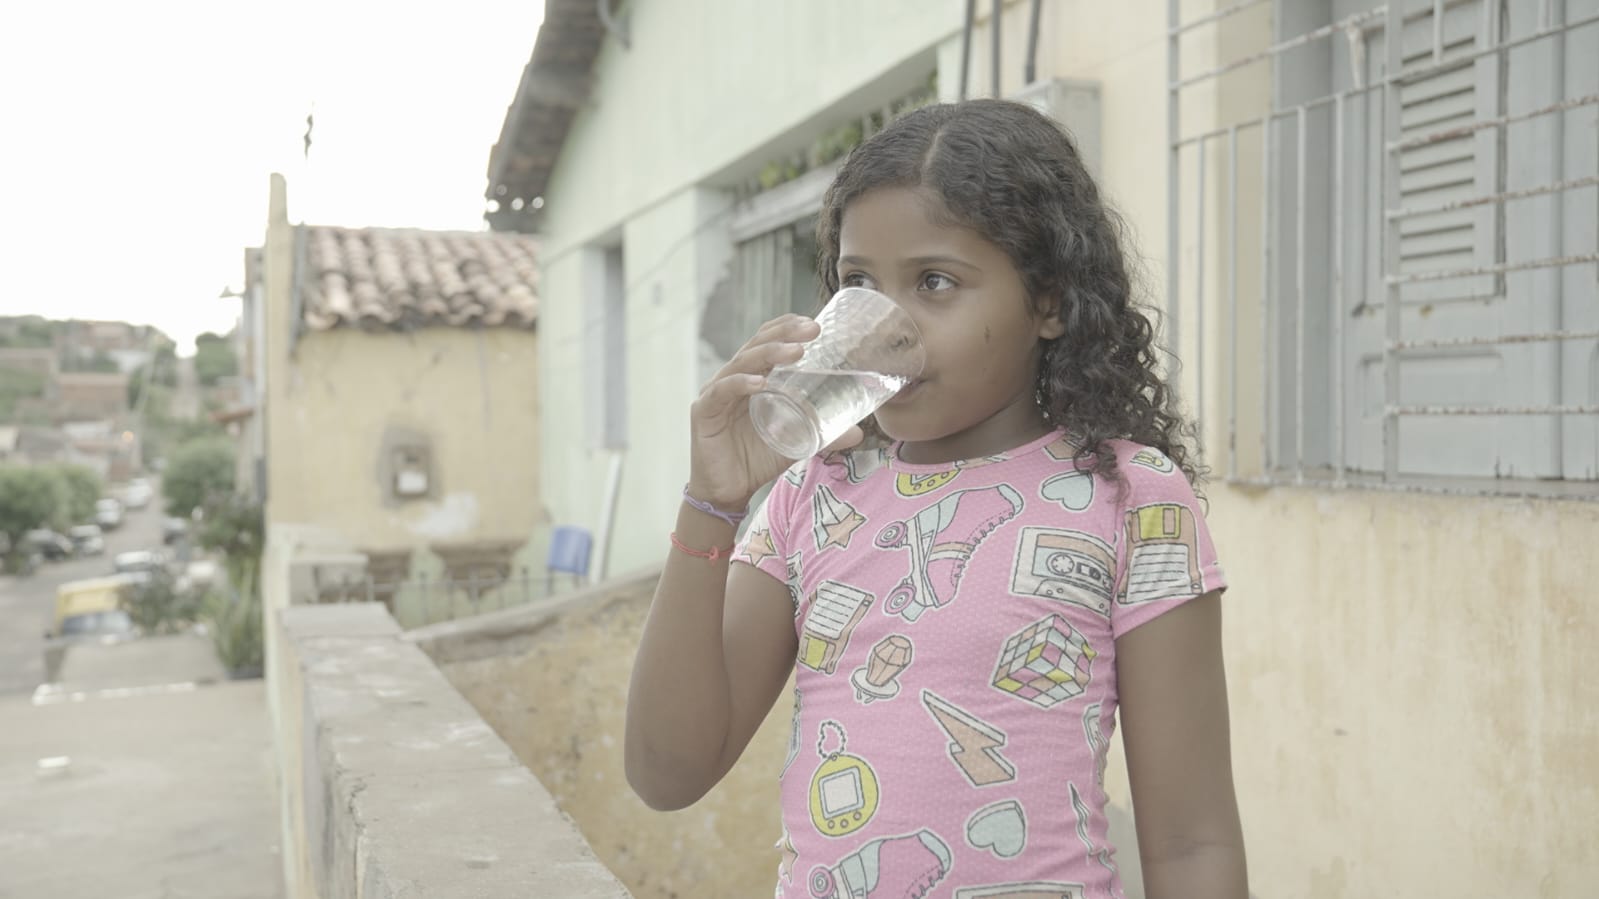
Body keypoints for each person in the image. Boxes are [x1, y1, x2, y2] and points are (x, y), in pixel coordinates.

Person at [625, 99, 1246, 899]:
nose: (886, 326)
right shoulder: (812, 499)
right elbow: (666, 770)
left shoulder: (1130, 497)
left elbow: (1192, 842)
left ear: (1048, 301)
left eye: (934, 282)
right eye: (857, 284)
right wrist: (710, 503)